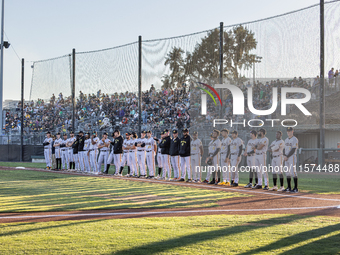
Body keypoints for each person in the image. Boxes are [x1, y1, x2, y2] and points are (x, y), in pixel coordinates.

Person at [283, 127, 299, 193]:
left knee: (293, 172)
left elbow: (293, 149)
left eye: (289, 131)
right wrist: (284, 155)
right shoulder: (286, 139)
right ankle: (289, 187)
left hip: (292, 157)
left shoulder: (295, 139)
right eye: (287, 131)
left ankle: (295, 188)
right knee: (287, 172)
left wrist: (287, 156)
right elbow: (284, 149)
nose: (288, 132)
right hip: (286, 158)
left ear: (292, 131)